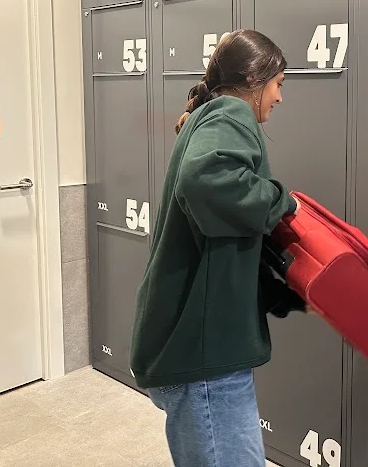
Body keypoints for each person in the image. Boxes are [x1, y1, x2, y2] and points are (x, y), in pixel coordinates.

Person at [129, 29, 305, 467]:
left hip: (194, 345)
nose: (279, 98)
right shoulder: (230, 114)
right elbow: (204, 181)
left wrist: (284, 292)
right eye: (279, 84)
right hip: (205, 360)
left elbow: (223, 239)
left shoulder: (207, 115)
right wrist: (282, 199)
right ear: (254, 78)